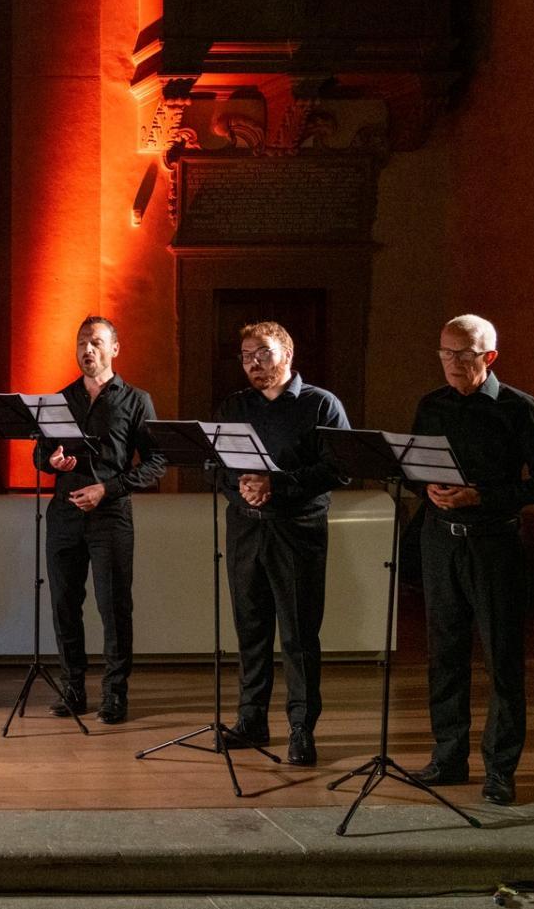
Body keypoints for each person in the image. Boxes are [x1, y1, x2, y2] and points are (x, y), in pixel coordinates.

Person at [411, 313, 534, 807]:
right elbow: (414, 466)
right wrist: (426, 487)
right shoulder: (431, 405)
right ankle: (448, 757)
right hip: (440, 542)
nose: (453, 363)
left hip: (495, 545)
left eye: (464, 354)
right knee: (445, 655)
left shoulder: (519, 408)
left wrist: (482, 496)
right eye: (445, 353)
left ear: (489, 356)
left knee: (502, 659)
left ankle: (500, 769)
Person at [211, 321, 351, 765]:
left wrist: (278, 486)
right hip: (245, 528)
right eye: (247, 354)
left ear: (287, 355)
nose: (254, 362)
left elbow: (340, 469)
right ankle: (251, 721)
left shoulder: (321, 405)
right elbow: (214, 466)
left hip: (297, 532)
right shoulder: (234, 406)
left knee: (297, 635)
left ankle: (300, 729)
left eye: (264, 353)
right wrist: (244, 490)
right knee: (251, 631)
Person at [33, 315, 166, 724]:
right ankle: (73, 688)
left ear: (114, 349)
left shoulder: (136, 399)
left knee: (113, 607)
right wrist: (53, 461)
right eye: (80, 344)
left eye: (95, 342)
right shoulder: (60, 399)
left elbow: (157, 461)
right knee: (64, 605)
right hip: (64, 516)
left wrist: (107, 488)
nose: (86, 350)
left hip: (109, 515)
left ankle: (114, 694)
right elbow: (40, 456)